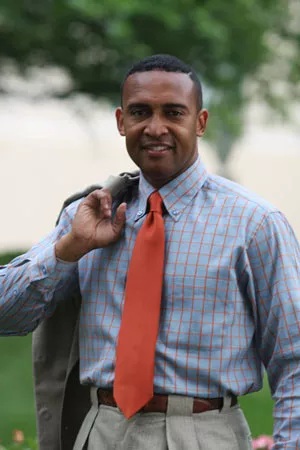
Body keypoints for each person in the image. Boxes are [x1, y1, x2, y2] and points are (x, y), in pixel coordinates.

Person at [0, 54, 300, 450]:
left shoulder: (255, 223)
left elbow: (293, 358)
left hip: (205, 434)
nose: (155, 128)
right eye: (140, 112)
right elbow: (7, 314)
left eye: (173, 112)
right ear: (121, 121)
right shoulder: (87, 215)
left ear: (201, 122)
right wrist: (69, 249)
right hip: (101, 432)